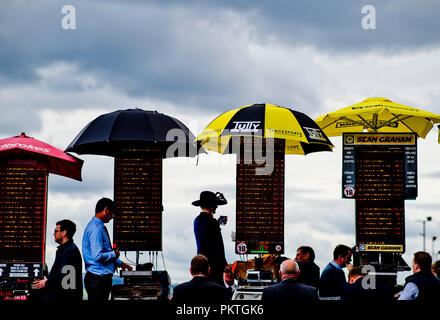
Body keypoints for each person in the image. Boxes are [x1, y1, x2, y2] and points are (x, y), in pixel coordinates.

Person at [82, 197, 132, 301]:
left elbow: (103, 252)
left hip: (98, 279)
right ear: (106, 210)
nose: (112, 217)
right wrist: (114, 254)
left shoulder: (96, 226)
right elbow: (98, 256)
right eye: (112, 214)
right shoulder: (96, 229)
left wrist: (120, 263)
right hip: (98, 279)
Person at [32, 219, 83, 301]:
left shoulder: (70, 251)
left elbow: (64, 277)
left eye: (56, 231)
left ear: (64, 233)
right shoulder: (65, 250)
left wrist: (46, 283)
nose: (53, 234)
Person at [192, 191, 228, 285]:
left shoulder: (197, 220)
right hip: (214, 267)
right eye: (215, 205)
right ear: (212, 206)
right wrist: (225, 264)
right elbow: (217, 246)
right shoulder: (212, 223)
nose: (216, 207)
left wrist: (216, 222)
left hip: (200, 262)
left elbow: (205, 235)